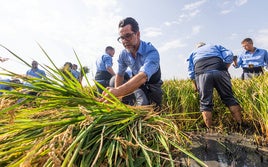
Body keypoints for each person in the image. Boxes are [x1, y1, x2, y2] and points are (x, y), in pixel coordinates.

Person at [101, 17, 163, 109]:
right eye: (122, 38)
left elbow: (142, 76)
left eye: (128, 36)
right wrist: (117, 97)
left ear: (138, 34)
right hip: (137, 85)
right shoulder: (123, 54)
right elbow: (120, 75)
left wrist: (118, 91)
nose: (125, 41)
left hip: (152, 85)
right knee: (114, 80)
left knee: (152, 110)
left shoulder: (151, 52)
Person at [187, 42, 242, 128]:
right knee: (229, 98)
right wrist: (225, 68)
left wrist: (195, 85)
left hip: (202, 73)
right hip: (219, 70)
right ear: (205, 45)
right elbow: (229, 55)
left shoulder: (193, 52)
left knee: (205, 103)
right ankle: (240, 124)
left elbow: (191, 72)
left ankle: (209, 129)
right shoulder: (215, 46)